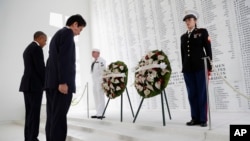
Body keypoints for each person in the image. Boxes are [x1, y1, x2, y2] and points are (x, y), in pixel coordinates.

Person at [45, 14, 86, 141]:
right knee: (59, 119)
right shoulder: (68, 34)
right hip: (60, 85)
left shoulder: (58, 35)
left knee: (52, 117)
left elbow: (51, 60)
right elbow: (64, 60)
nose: (79, 33)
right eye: (80, 29)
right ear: (75, 24)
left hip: (51, 84)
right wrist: (62, 82)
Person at [180, 10, 212, 127]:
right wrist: (183, 67)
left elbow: (208, 48)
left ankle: (203, 119)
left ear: (195, 20)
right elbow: (183, 54)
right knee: (191, 94)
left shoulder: (202, 32)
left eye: (190, 19)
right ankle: (195, 118)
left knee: (202, 93)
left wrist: (209, 64)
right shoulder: (183, 37)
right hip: (188, 69)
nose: (187, 22)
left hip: (200, 67)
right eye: (186, 20)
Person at [19, 31, 47, 141]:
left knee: (29, 113)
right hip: (35, 86)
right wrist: (47, 83)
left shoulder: (27, 48)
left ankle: (28, 138)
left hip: (27, 85)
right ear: (39, 38)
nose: (45, 43)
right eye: (45, 40)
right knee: (34, 114)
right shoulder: (37, 48)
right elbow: (40, 68)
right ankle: (33, 138)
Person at [91, 48, 106, 119]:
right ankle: (98, 112)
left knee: (100, 97)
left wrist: (102, 81)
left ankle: (101, 113)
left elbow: (103, 72)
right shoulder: (94, 62)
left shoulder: (101, 61)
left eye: (94, 52)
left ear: (98, 53)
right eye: (92, 52)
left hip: (100, 81)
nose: (92, 53)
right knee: (96, 97)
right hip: (94, 81)